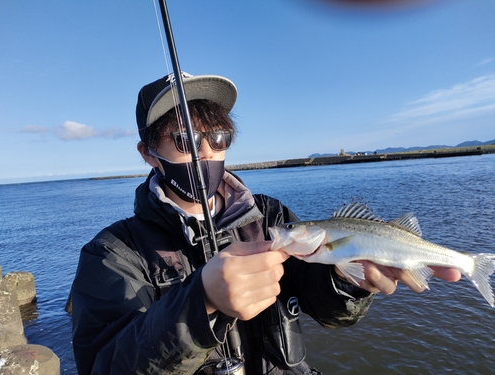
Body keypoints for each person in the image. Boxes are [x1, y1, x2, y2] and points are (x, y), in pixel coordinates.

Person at [70, 72, 461, 375]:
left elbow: (326, 309)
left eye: (219, 137)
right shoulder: (112, 255)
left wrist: (348, 282)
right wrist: (199, 303)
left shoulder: (269, 215)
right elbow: (104, 364)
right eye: (186, 139)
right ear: (149, 153)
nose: (207, 152)